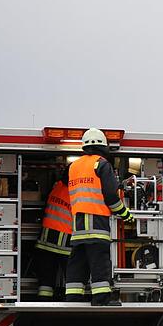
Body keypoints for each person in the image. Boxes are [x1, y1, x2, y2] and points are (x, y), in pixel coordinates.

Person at [66, 128, 134, 306]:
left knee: (77, 266)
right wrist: (126, 214)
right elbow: (111, 197)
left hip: (78, 229)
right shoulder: (101, 164)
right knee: (99, 265)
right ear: (103, 146)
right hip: (97, 226)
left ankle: (73, 300)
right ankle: (101, 300)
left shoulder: (73, 167)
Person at [34, 171, 73, 299]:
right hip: (65, 244)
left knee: (45, 283)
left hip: (45, 241)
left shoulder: (57, 186)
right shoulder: (75, 193)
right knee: (73, 280)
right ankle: (74, 302)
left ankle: (43, 302)